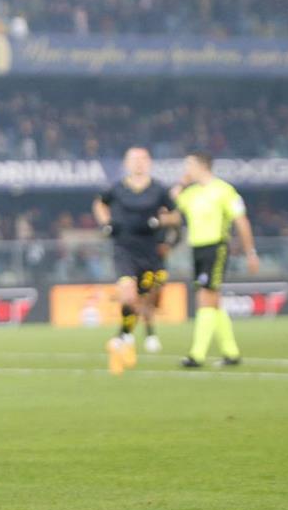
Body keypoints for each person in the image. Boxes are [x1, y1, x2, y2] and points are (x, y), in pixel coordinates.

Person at [93, 147, 179, 375]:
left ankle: (126, 334)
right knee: (128, 294)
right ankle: (129, 336)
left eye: (142, 159)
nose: (138, 163)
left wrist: (158, 221)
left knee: (146, 299)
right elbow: (99, 204)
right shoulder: (117, 188)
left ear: (149, 163)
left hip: (150, 253)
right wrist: (106, 223)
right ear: (126, 163)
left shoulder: (159, 189)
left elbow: (176, 215)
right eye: (134, 159)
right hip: (124, 249)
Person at [172, 151, 259, 367]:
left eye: (189, 166)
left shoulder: (224, 190)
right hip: (197, 249)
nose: (186, 171)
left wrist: (250, 252)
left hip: (215, 248)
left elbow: (241, 221)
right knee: (213, 300)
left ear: (202, 166)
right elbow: (171, 202)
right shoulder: (191, 193)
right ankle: (231, 352)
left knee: (205, 297)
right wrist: (182, 183)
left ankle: (197, 355)